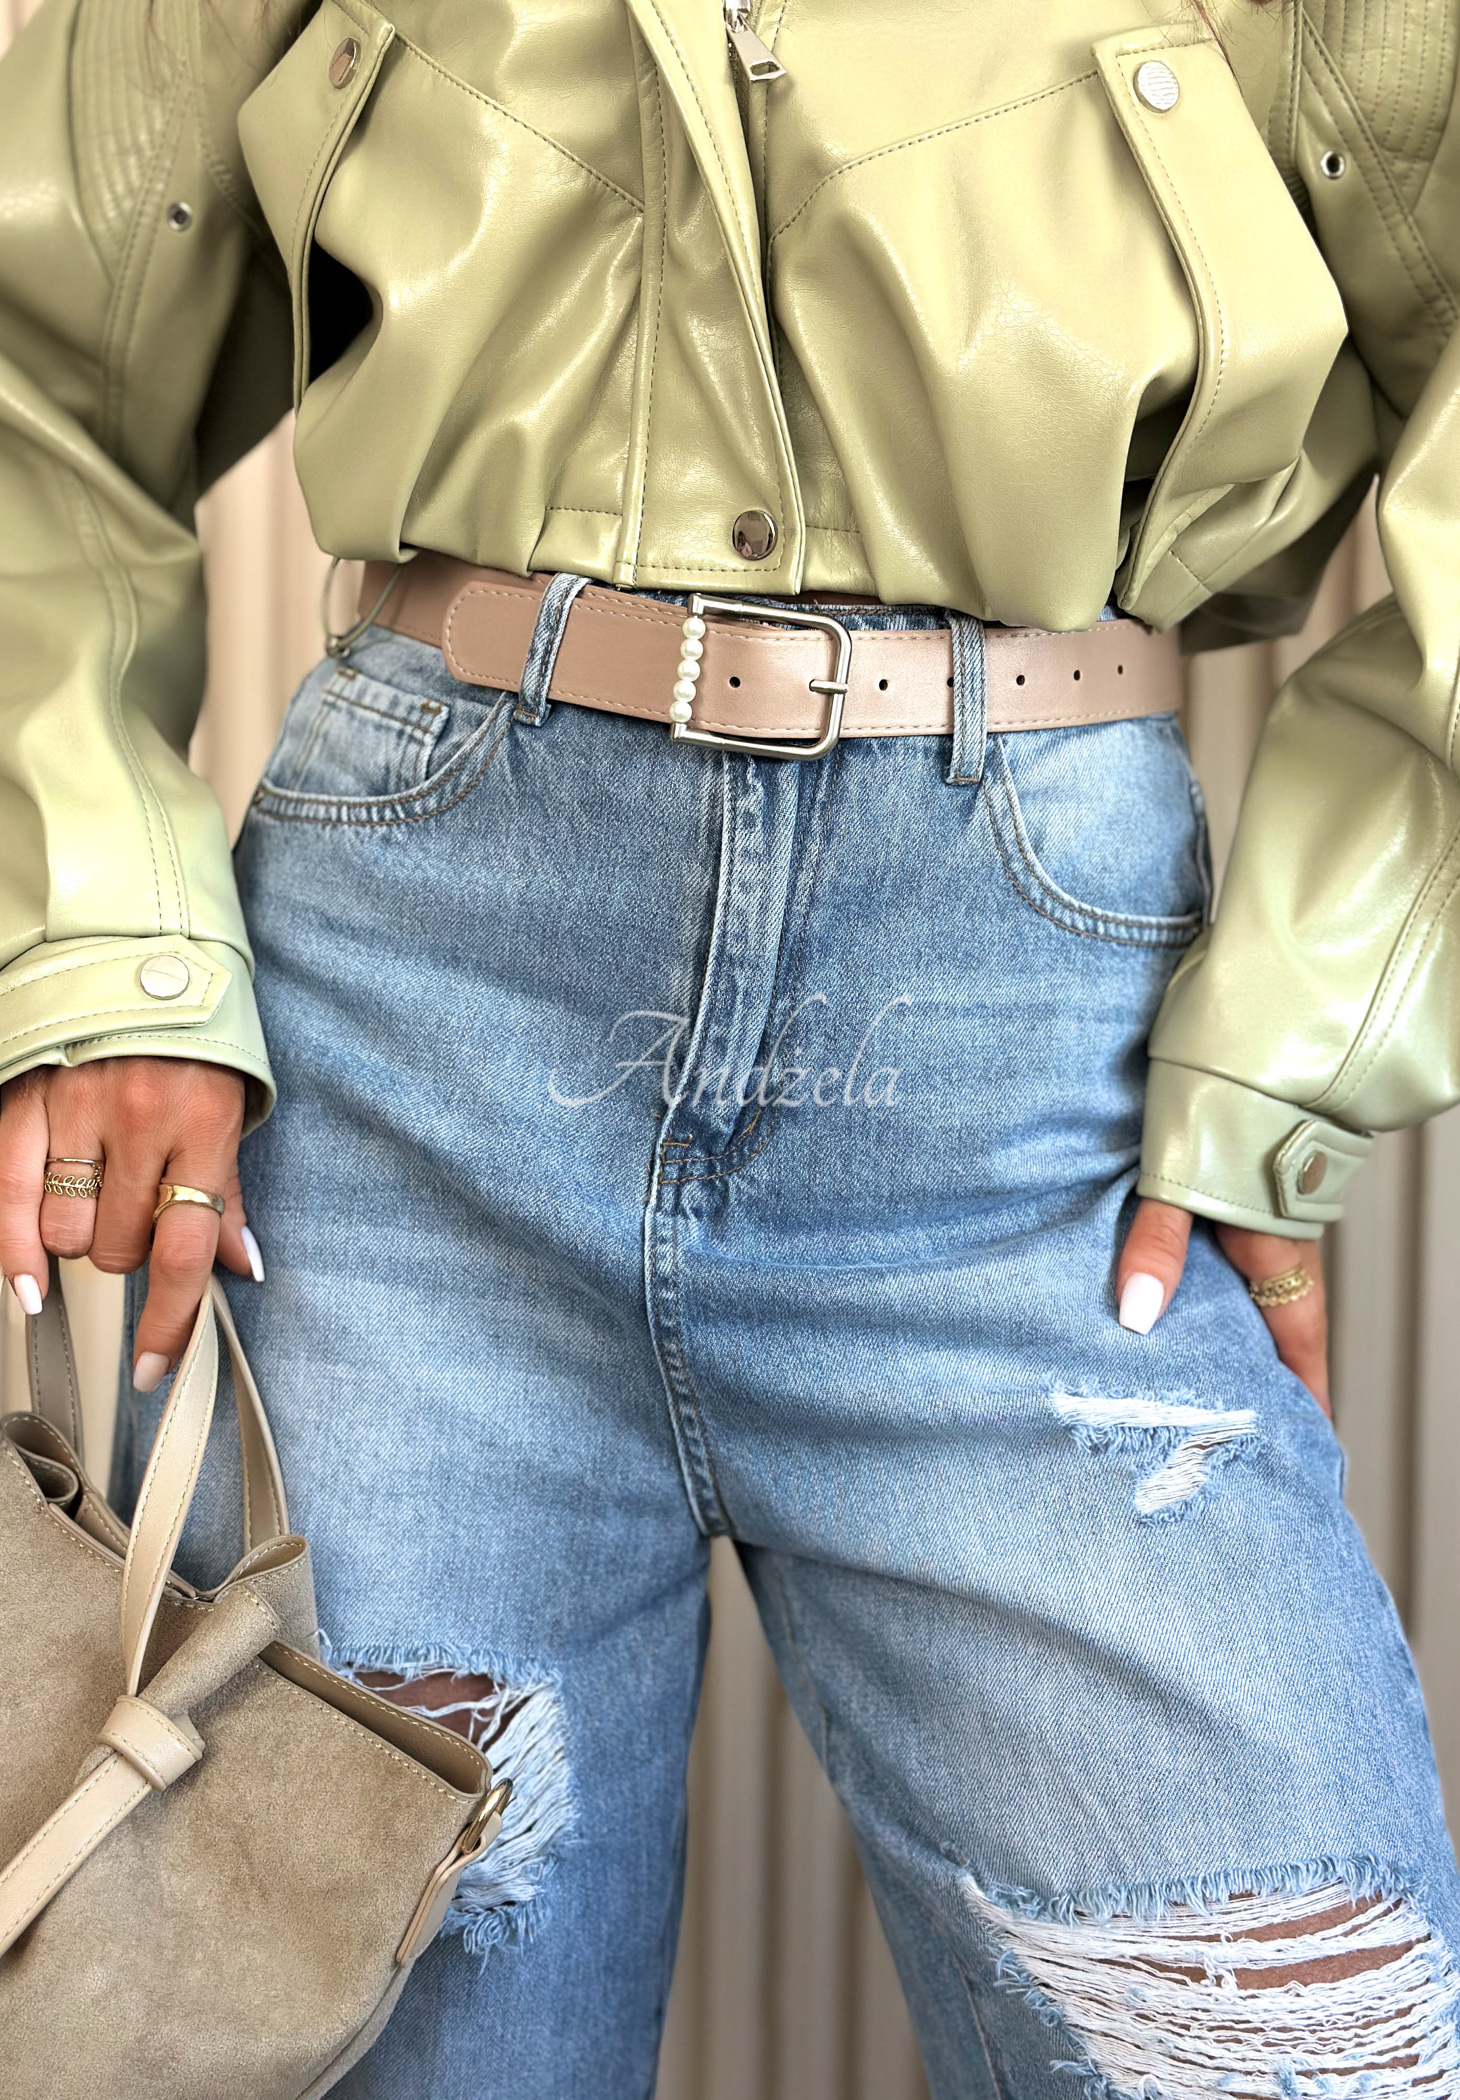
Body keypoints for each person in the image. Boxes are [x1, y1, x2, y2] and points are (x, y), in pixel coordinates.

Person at [1, 0, 1457, 2092]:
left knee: (1300, 2036)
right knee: (363, 2022)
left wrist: (1314, 1027)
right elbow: (37, 354)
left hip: (1030, 1097)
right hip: (404, 1074)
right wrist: (104, 934)